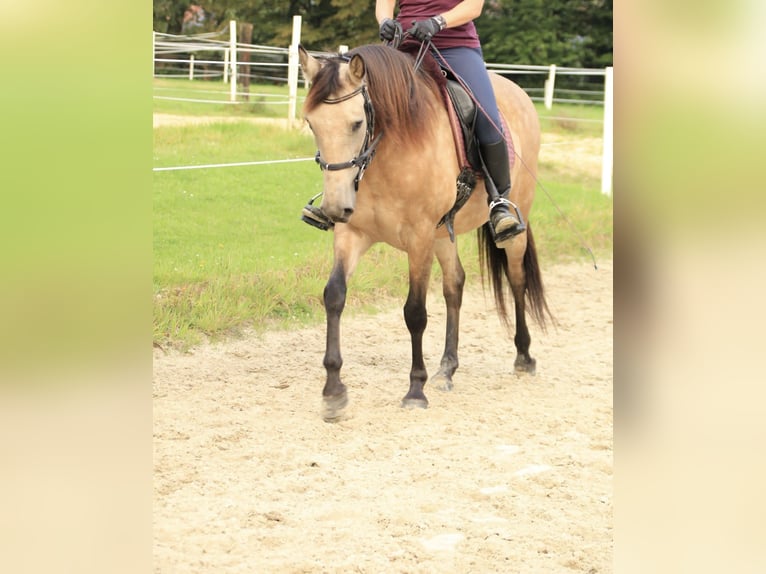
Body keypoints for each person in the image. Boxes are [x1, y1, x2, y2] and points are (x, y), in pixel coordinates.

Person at [302, 0, 524, 245]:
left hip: (455, 46)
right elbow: (385, 3)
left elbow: (473, 7)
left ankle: (499, 202)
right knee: (356, 106)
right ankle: (335, 197)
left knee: (488, 118)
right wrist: (385, 21)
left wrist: (438, 22)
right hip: (404, 43)